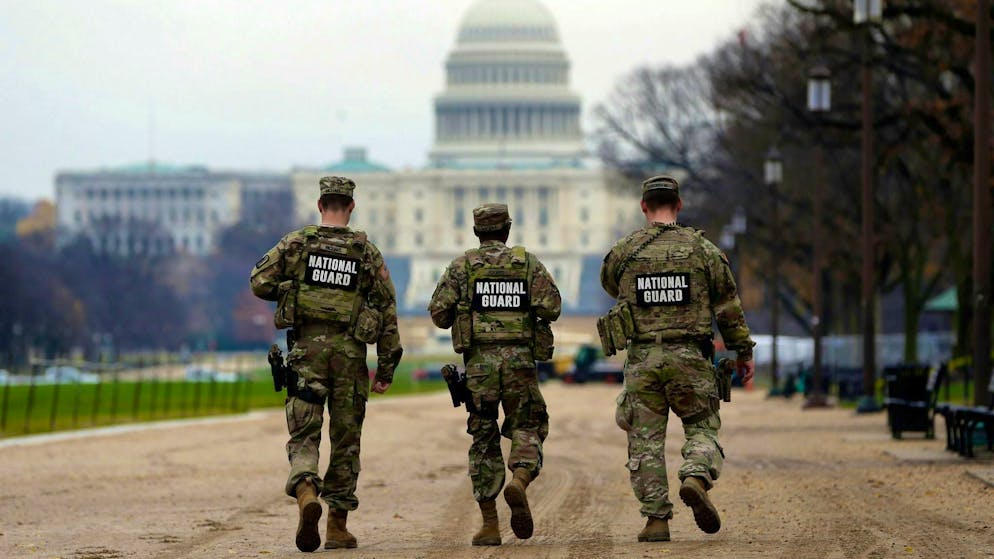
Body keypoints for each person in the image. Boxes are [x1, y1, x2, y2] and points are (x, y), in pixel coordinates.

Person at [249, 176, 402, 552]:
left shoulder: (297, 243)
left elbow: (259, 282)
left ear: (320, 205)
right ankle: (337, 526)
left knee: (305, 431)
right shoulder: (367, 252)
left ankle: (305, 489)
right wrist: (385, 369)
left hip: (307, 352)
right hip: (350, 356)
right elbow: (386, 311)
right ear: (350, 207)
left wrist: (293, 290)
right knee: (346, 440)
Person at [599, 175, 754, 542]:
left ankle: (656, 521)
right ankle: (695, 476)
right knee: (702, 428)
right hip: (691, 357)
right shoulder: (704, 250)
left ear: (643, 207)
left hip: (644, 359)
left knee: (645, 442)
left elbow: (610, 286)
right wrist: (742, 351)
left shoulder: (624, 252)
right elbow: (728, 307)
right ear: (679, 204)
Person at [428, 203, 561, 546]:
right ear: (507, 229)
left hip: (480, 368)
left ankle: (489, 525)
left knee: (483, 439)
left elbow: (439, 314)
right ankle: (519, 477)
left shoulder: (462, 267)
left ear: (476, 231)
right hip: (519, 363)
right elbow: (553, 307)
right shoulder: (527, 263)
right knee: (528, 426)